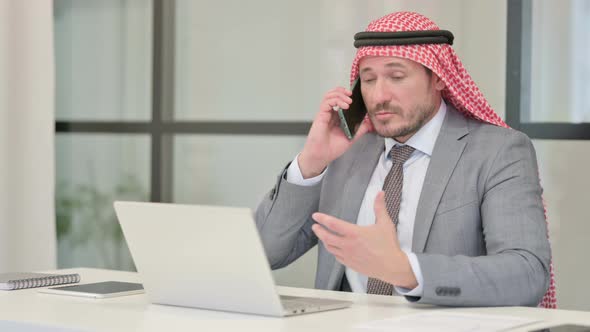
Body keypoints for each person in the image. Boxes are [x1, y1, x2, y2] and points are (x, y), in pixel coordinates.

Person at [254, 11, 556, 307]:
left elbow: (526, 274)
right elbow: (267, 252)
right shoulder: (348, 152)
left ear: (438, 77)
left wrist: (406, 270)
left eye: (396, 76)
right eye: (368, 80)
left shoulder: (497, 151)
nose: (379, 95)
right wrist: (312, 161)